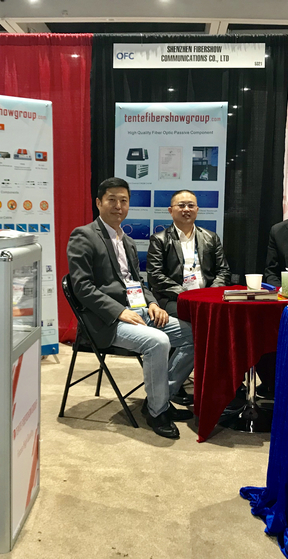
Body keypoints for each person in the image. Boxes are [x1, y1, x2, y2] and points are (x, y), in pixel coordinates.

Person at [67, 177, 195, 439]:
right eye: (112, 200)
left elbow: (137, 282)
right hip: (106, 320)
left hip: (139, 311)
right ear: (98, 203)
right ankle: (158, 412)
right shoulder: (83, 235)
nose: (118, 206)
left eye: (123, 201)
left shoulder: (127, 240)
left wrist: (152, 303)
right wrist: (118, 311)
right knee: (158, 341)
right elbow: (82, 287)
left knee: (195, 334)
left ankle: (160, 397)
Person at [146, 189, 231, 318]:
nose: (186, 209)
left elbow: (223, 271)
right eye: (181, 205)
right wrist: (186, 295)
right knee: (197, 315)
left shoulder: (211, 238)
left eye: (191, 205)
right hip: (174, 298)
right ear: (170, 210)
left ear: (197, 209)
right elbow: (155, 275)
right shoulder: (159, 239)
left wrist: (211, 293)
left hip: (207, 297)